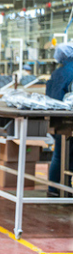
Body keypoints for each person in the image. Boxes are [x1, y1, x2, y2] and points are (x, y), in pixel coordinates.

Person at [46, 43, 73, 197]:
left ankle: (54, 188)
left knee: (59, 154)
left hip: (57, 119)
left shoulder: (57, 73)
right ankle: (60, 188)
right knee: (64, 154)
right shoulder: (71, 71)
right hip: (68, 119)